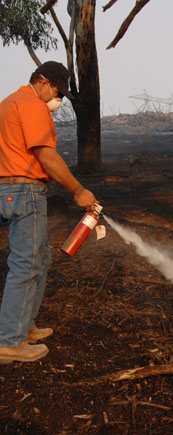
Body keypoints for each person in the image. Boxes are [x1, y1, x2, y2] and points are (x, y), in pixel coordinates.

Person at [0, 61, 97, 364]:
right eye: (56, 89)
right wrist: (78, 189)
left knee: (39, 258)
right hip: (25, 191)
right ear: (42, 82)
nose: (57, 97)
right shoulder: (31, 105)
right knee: (27, 265)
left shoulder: (9, 103)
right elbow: (47, 156)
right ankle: (9, 342)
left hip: (10, 189)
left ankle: (23, 328)